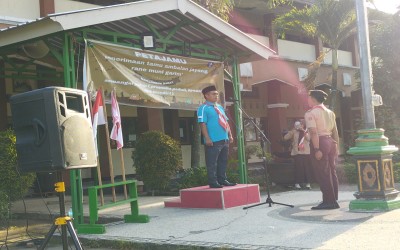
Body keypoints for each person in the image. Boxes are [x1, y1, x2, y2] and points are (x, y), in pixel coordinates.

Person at [305, 90, 340, 210]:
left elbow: (314, 132)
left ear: (313, 99)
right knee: (332, 171)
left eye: (309, 98)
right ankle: (333, 198)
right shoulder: (330, 112)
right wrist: (337, 146)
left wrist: (316, 149)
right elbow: (335, 131)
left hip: (320, 142)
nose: (307, 100)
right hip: (331, 141)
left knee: (323, 173)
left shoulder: (311, 113)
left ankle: (328, 201)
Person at [197, 85, 236, 188]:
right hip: (213, 140)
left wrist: (230, 135)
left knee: (223, 161)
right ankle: (213, 182)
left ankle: (222, 179)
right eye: (214, 94)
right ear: (206, 95)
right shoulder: (203, 108)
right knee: (212, 162)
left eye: (217, 94)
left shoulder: (219, 107)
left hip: (224, 139)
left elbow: (225, 122)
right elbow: (202, 123)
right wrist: (207, 138)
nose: (216, 96)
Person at [283, 120, 313, 190]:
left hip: (306, 152)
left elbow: (309, 139)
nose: (298, 126)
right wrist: (292, 131)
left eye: (300, 125)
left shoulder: (306, 131)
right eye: (297, 125)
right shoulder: (294, 131)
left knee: (306, 168)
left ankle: (308, 183)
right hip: (297, 152)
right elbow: (285, 138)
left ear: (303, 125)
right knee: (298, 168)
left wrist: (303, 131)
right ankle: (297, 183)